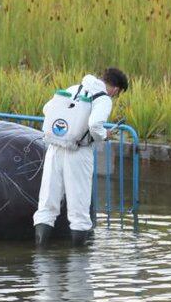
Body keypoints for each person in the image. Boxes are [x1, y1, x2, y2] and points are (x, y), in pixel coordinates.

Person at [33, 67, 129, 244]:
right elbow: (94, 124)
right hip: (79, 152)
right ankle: (79, 259)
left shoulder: (74, 88)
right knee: (79, 209)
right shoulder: (103, 99)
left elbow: (47, 109)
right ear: (116, 89)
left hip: (54, 147)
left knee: (47, 204)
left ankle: (40, 254)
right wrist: (104, 135)